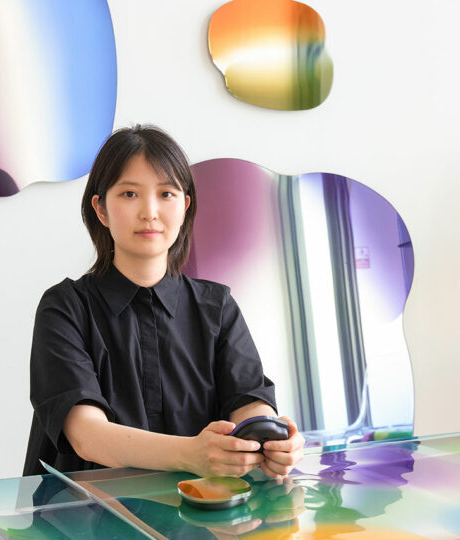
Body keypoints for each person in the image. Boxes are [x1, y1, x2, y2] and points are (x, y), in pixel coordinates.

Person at [23, 125, 304, 479]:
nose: (150, 212)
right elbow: (87, 435)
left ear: (185, 206)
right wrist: (191, 454)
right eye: (129, 194)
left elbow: (247, 400)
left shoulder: (217, 306)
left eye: (166, 193)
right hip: (85, 509)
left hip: (201, 509)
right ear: (101, 209)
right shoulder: (65, 307)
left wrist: (270, 438)